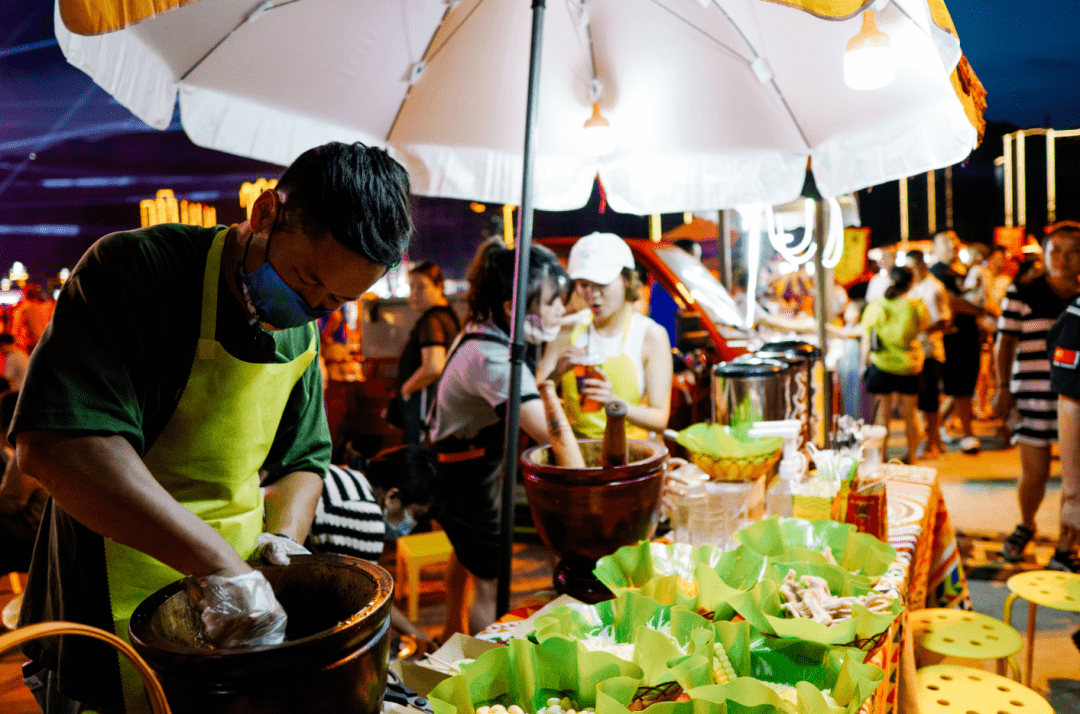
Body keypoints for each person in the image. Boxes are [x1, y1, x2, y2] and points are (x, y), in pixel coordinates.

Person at [11, 141, 413, 714]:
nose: (309, 308)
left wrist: (282, 548)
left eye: (333, 301)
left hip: (239, 606)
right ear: (266, 213)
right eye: (303, 282)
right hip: (103, 595)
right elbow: (60, 448)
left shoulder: (301, 331)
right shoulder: (135, 271)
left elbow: (305, 459)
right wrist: (221, 568)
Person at [428, 239, 569, 639]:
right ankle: (480, 666)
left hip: (463, 464)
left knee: (469, 555)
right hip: (464, 474)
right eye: (552, 301)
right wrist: (556, 351)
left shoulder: (486, 331)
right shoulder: (492, 357)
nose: (563, 309)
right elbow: (549, 433)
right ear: (513, 308)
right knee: (491, 579)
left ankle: (448, 634)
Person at [260, 444, 441, 652]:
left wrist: (417, 635)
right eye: (415, 515)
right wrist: (420, 641)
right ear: (392, 497)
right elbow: (363, 605)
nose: (412, 525)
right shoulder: (363, 516)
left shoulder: (349, 477)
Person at [995, 222, 1080, 565]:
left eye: (1073, 250)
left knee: (1074, 476)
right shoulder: (1022, 292)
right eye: (1054, 250)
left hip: (1075, 401)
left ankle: (1066, 545)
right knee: (1035, 473)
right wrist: (1002, 388)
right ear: (1043, 255)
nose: (1063, 258)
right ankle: (1026, 524)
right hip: (1032, 397)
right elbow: (1005, 343)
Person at [538, 232, 673, 440]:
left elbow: (659, 419)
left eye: (602, 283)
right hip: (576, 452)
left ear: (627, 280)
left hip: (630, 453)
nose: (593, 293)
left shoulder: (650, 335)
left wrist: (614, 403)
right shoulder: (566, 329)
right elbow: (533, 395)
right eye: (584, 284)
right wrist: (557, 372)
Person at [861, 266, 929, 464]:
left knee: (883, 417)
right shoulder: (917, 305)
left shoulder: (877, 305)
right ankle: (912, 457)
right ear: (911, 281)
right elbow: (923, 328)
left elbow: (867, 338)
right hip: (910, 365)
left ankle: (881, 458)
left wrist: (862, 365)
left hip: (882, 365)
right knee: (911, 416)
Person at [929, 231, 984, 454]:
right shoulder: (938, 273)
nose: (952, 245)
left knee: (962, 386)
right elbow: (951, 303)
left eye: (955, 241)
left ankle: (934, 427)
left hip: (970, 335)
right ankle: (967, 435)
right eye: (946, 242)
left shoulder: (964, 270)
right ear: (936, 247)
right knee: (959, 387)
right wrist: (981, 310)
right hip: (952, 338)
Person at [393, 262, 460, 444]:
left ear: (439, 287)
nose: (413, 294)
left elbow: (433, 367)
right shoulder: (447, 316)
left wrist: (406, 389)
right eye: (411, 287)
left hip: (424, 408)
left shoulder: (432, 320)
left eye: (421, 287)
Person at [906, 250, 952, 458]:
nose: (909, 271)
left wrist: (919, 329)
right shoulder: (909, 288)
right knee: (918, 401)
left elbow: (944, 320)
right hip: (912, 352)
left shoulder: (934, 287)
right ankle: (933, 440)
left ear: (921, 266)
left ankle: (932, 443)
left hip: (930, 352)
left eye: (912, 266)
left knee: (930, 400)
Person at [11, 284, 52, 354]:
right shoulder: (46, 307)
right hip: (46, 340)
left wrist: (14, 343)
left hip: (32, 344)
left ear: (25, 294)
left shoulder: (25, 309)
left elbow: (16, 328)